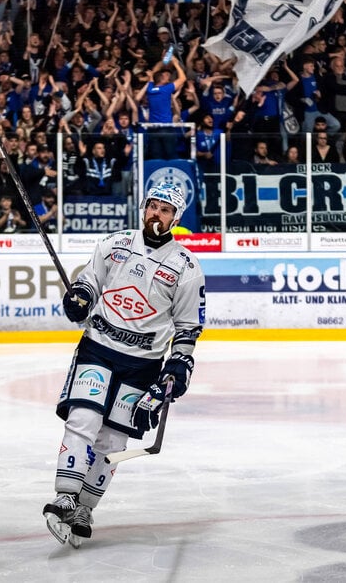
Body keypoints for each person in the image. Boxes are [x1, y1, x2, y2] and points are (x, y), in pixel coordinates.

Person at [44, 182, 206, 547]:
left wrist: (179, 365)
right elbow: (89, 281)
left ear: (176, 218)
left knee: (114, 438)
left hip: (143, 363)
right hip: (98, 348)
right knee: (83, 418)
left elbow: (187, 326)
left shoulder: (186, 267)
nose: (157, 214)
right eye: (153, 206)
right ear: (143, 207)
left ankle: (84, 507)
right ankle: (65, 496)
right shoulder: (114, 244)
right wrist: (80, 298)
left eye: (166, 210)